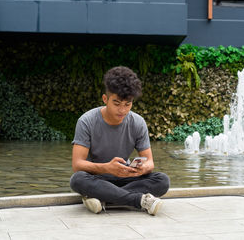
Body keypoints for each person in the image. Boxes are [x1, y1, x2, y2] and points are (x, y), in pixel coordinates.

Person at [70, 66, 170, 215]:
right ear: (105, 99)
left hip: (126, 178)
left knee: (162, 180)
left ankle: (102, 197)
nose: (122, 110)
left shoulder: (138, 122)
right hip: (98, 179)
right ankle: (139, 200)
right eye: (117, 103)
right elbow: (77, 164)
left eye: (127, 104)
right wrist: (106, 168)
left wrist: (142, 168)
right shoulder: (86, 121)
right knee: (77, 179)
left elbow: (150, 162)